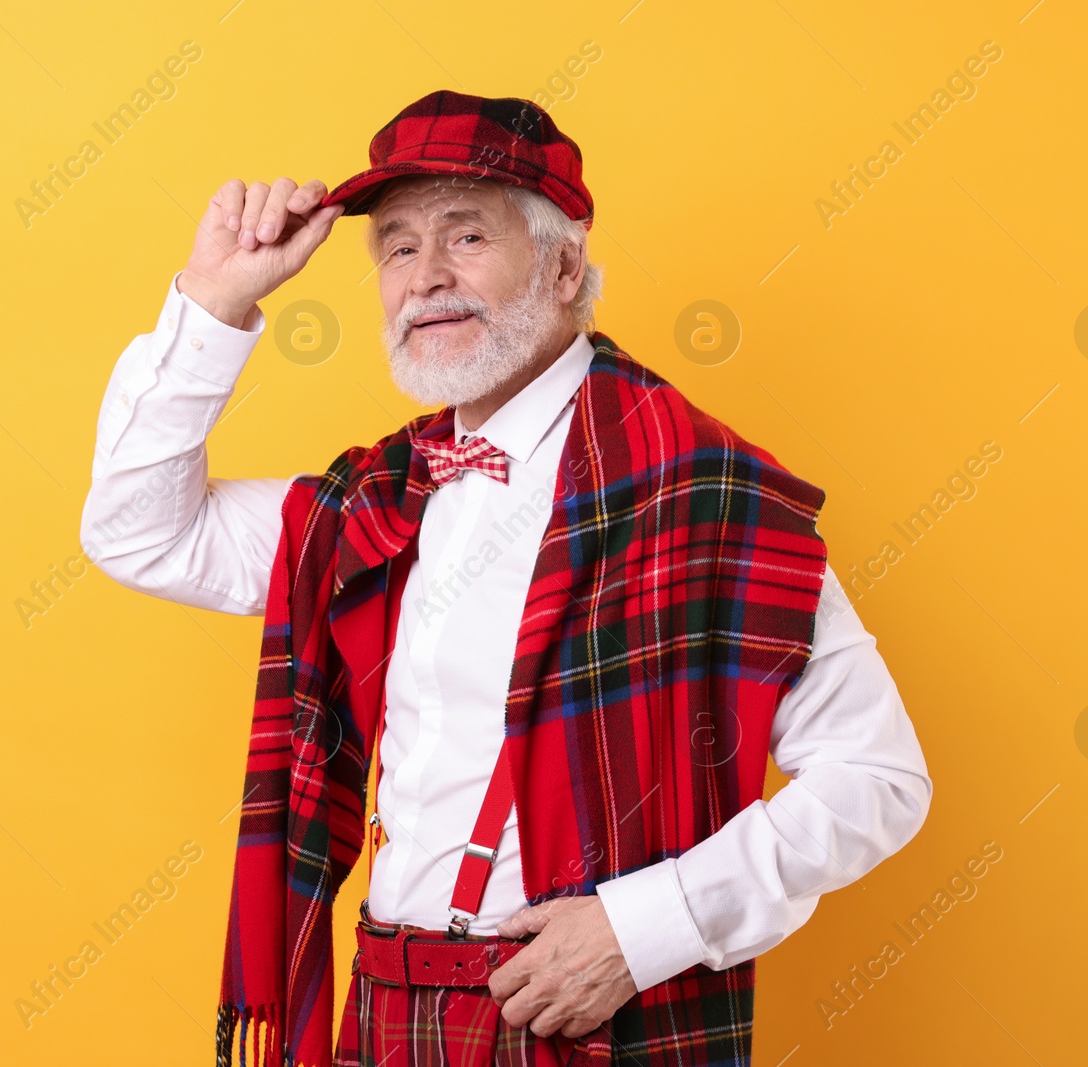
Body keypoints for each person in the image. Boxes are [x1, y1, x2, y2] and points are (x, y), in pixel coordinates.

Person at [80, 90, 932, 1067]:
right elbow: (136, 531)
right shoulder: (371, 504)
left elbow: (878, 777)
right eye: (398, 247)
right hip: (385, 1009)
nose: (426, 277)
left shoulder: (698, 491)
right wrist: (213, 303)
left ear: (564, 266)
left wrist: (644, 925)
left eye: (466, 235)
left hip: (594, 1018)